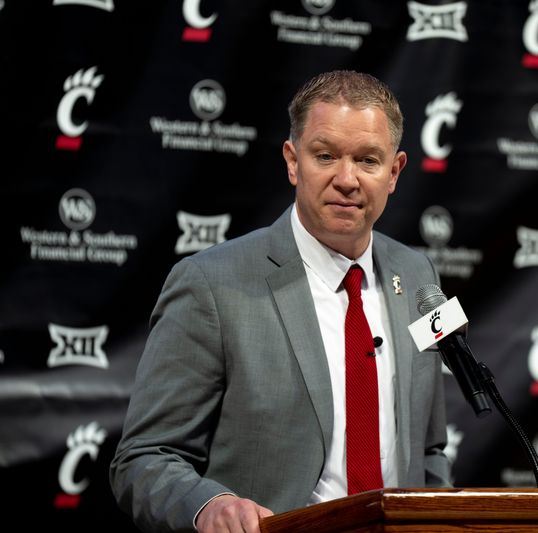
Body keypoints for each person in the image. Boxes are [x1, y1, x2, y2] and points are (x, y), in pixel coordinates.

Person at [109, 70, 451, 532]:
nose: (346, 179)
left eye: (368, 161)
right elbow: (145, 458)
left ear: (394, 172)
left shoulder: (418, 277)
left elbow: (429, 450)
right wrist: (210, 506)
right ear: (293, 161)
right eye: (325, 155)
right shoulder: (210, 283)